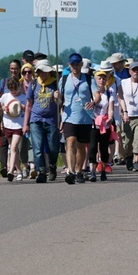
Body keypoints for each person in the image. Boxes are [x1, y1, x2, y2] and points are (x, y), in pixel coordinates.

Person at [60, 53, 96, 184]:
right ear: (69, 65)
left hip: (85, 117)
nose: (75, 66)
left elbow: (96, 95)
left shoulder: (88, 79)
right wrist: (55, 96)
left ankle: (79, 171)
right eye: (73, 64)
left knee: (81, 146)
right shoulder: (64, 79)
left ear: (81, 64)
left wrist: (93, 102)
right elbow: (59, 100)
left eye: (77, 64)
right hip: (69, 117)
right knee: (70, 142)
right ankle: (70, 171)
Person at [23, 59, 60, 183]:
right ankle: (41, 172)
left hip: (52, 120)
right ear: (37, 72)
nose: (44, 73)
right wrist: (25, 124)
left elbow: (61, 104)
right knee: (37, 148)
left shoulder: (55, 84)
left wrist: (57, 98)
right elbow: (29, 105)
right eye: (41, 71)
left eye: (46, 71)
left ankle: (53, 166)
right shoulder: (33, 84)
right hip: (36, 119)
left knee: (53, 148)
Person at [117, 61, 138, 172]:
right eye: (133, 70)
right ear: (129, 71)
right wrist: (123, 112)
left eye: (137, 69)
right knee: (127, 143)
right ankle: (129, 157)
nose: (136, 72)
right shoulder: (124, 83)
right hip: (127, 117)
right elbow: (120, 98)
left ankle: (136, 161)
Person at [87, 68, 115, 181]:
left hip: (105, 124)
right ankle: (92, 172)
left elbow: (111, 108)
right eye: (99, 78)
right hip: (93, 124)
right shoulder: (91, 93)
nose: (102, 80)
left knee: (104, 148)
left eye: (104, 78)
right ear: (95, 80)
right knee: (92, 148)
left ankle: (103, 170)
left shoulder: (109, 93)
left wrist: (110, 117)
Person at [0, 59, 22, 177]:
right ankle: (9, 168)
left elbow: (27, 103)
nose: (14, 70)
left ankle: (14, 169)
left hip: (19, 122)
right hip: (7, 121)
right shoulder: (4, 83)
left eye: (16, 68)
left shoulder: (23, 83)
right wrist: (3, 112)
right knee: (7, 145)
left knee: (14, 147)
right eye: (12, 68)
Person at [0, 77, 27, 182]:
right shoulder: (6, 96)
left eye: (15, 88)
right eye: (11, 89)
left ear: (19, 87)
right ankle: (19, 171)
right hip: (8, 124)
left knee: (14, 147)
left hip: (18, 125)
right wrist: (3, 108)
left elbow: (29, 109)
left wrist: (24, 107)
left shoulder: (23, 97)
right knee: (12, 148)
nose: (14, 91)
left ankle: (10, 171)